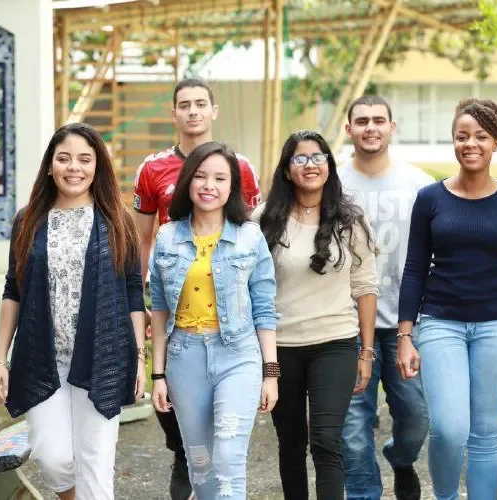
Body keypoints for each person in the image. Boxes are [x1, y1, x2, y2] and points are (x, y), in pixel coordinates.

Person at [396, 98, 497, 500]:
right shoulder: (430, 198)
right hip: (439, 322)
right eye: (462, 136)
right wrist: (405, 335)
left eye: (481, 136)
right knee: (448, 428)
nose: (471, 144)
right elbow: (414, 268)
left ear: (496, 143)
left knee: (484, 434)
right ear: (453, 142)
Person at [0, 122, 147, 500]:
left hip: (102, 357)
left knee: (96, 461)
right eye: (64, 158)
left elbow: (131, 293)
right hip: (43, 358)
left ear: (98, 168)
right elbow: (14, 289)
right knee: (53, 456)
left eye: (84, 159)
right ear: (49, 166)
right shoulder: (28, 221)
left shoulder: (117, 222)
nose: (74, 168)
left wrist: (139, 358)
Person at [132, 78, 262, 499]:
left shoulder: (240, 166)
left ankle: (192, 463)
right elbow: (143, 243)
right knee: (190, 436)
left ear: (213, 110)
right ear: (173, 113)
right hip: (175, 306)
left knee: (227, 453)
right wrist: (146, 307)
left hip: (231, 326)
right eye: (184, 104)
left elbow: (248, 239)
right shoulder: (152, 169)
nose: (192, 111)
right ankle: (183, 455)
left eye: (200, 104)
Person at [149, 141, 279, 500]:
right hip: (183, 358)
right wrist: (157, 374)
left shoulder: (250, 237)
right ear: (188, 181)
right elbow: (158, 310)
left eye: (220, 178)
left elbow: (265, 309)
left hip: (238, 355)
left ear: (232, 187)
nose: (210, 186)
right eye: (202, 176)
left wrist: (271, 374)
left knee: (228, 459)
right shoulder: (167, 236)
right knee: (201, 465)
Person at [254, 129, 379, 499]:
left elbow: (366, 287)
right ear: (287, 170)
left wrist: (366, 351)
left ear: (329, 165)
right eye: (300, 158)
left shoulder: (350, 219)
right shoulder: (264, 220)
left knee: (326, 441)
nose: (310, 165)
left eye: (318, 157)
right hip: (282, 346)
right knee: (290, 442)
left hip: (335, 344)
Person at [338, 95, 432, 500]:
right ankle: (365, 494)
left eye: (379, 120)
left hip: (406, 323)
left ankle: (401, 458)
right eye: (362, 121)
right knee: (352, 430)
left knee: (416, 416)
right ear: (349, 129)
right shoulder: (333, 183)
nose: (370, 127)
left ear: (393, 128)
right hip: (346, 322)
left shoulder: (421, 184)